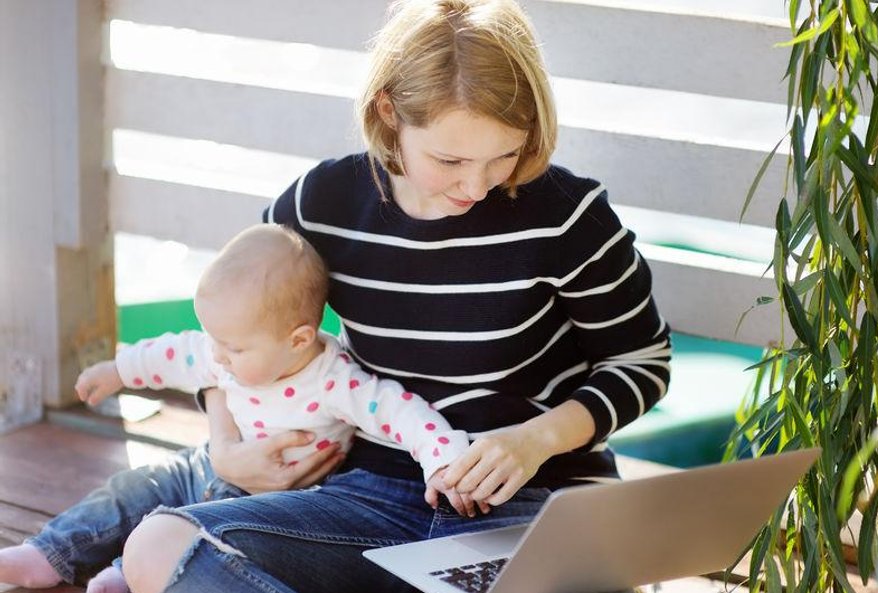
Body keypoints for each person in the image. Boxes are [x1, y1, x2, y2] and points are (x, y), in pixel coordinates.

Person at [120, 0, 673, 591]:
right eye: (449, 159)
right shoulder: (322, 204)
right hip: (369, 494)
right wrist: (227, 445)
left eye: (505, 155)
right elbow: (234, 328)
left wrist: (535, 441)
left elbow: (642, 364)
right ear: (388, 112)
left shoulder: (568, 216)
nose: (477, 185)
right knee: (160, 545)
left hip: (535, 499)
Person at [0, 224, 473, 593]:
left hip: (271, 495)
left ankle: (128, 571)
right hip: (209, 459)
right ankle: (50, 550)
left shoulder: (334, 381)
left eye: (233, 348)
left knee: (205, 517)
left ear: (298, 340)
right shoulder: (226, 347)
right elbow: (173, 353)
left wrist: (442, 457)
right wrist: (119, 370)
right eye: (215, 341)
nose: (218, 356)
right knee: (134, 486)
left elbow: (400, 411)